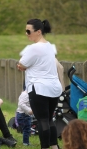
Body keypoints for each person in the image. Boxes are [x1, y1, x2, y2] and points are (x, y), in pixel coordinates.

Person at [17, 19, 62, 149]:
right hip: (54, 88)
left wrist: (23, 66)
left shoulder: (33, 48)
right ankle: (55, 147)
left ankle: (45, 147)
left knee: (42, 120)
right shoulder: (49, 46)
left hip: (39, 88)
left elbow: (21, 64)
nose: (26, 34)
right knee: (49, 119)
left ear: (38, 32)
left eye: (28, 31)